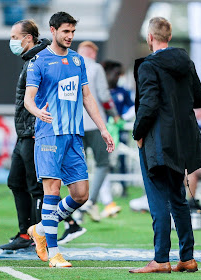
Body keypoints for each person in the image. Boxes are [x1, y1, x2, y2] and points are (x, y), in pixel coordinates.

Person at [23, 12, 115, 268]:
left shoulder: (77, 60)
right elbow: (28, 98)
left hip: (74, 135)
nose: (70, 36)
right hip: (49, 134)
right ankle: (54, 253)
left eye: (73, 32)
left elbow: (87, 97)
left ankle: (40, 229)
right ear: (53, 31)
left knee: (81, 194)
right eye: (65, 31)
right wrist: (37, 111)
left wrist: (103, 128)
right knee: (52, 191)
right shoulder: (39, 61)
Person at [129, 17, 201, 274]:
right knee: (178, 200)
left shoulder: (148, 66)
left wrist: (138, 133)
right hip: (182, 142)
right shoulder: (186, 62)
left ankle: (161, 259)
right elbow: (199, 99)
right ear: (169, 37)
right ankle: (187, 257)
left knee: (158, 201)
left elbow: (149, 105)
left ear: (150, 38)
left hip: (157, 142)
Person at [0, 19, 49, 251]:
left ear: (28, 38)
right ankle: (25, 233)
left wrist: (37, 128)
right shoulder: (30, 60)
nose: (12, 41)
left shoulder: (39, 61)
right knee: (15, 182)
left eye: (14, 37)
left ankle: (38, 235)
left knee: (35, 186)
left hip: (33, 134)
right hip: (23, 133)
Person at [76, 41, 121, 221]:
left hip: (74, 124)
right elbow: (103, 96)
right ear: (92, 53)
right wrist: (114, 114)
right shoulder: (95, 68)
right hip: (95, 124)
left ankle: (77, 208)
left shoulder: (68, 66)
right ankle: (91, 201)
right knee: (103, 163)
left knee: (79, 167)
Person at [102, 60, 135, 197]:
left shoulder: (123, 92)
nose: (117, 78)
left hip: (120, 131)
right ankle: (103, 190)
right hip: (104, 130)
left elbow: (133, 107)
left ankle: (124, 187)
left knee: (122, 159)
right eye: (116, 74)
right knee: (103, 161)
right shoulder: (101, 90)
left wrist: (123, 118)